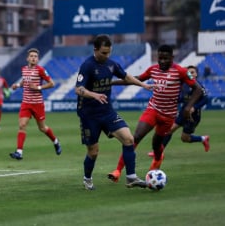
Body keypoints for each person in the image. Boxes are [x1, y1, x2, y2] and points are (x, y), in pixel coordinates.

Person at [108, 45, 204, 183]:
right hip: (153, 110)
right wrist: (111, 83)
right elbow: (136, 79)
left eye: (166, 58)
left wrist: (189, 107)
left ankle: (158, 158)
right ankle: (117, 171)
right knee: (136, 137)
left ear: (172, 58)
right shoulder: (153, 69)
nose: (162, 61)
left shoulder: (181, 71)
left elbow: (198, 89)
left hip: (168, 116)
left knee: (156, 144)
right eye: (160, 58)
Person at [75, 34, 153, 190]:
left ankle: (131, 177)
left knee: (129, 139)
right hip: (89, 115)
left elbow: (126, 76)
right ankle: (87, 178)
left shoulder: (111, 64)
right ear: (95, 49)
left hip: (107, 111)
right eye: (104, 53)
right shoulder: (87, 66)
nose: (107, 56)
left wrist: (143, 85)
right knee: (93, 151)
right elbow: (78, 89)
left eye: (109, 52)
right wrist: (94, 95)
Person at [9, 48, 61, 160]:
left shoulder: (40, 70)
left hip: (37, 104)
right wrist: (17, 85)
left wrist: (38, 87)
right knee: (22, 125)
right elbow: (25, 81)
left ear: (38, 59)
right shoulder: (24, 69)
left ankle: (55, 141)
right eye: (31, 56)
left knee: (42, 128)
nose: (33, 58)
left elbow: (52, 83)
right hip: (26, 103)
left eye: (35, 56)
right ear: (27, 58)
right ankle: (19, 152)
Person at [147, 65, 210, 157]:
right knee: (169, 130)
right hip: (182, 113)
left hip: (193, 116)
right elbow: (181, 98)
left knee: (184, 138)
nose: (190, 74)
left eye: (192, 72)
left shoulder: (199, 86)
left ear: (196, 74)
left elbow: (206, 99)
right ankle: (159, 152)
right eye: (189, 72)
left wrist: (194, 107)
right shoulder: (183, 85)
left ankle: (203, 139)